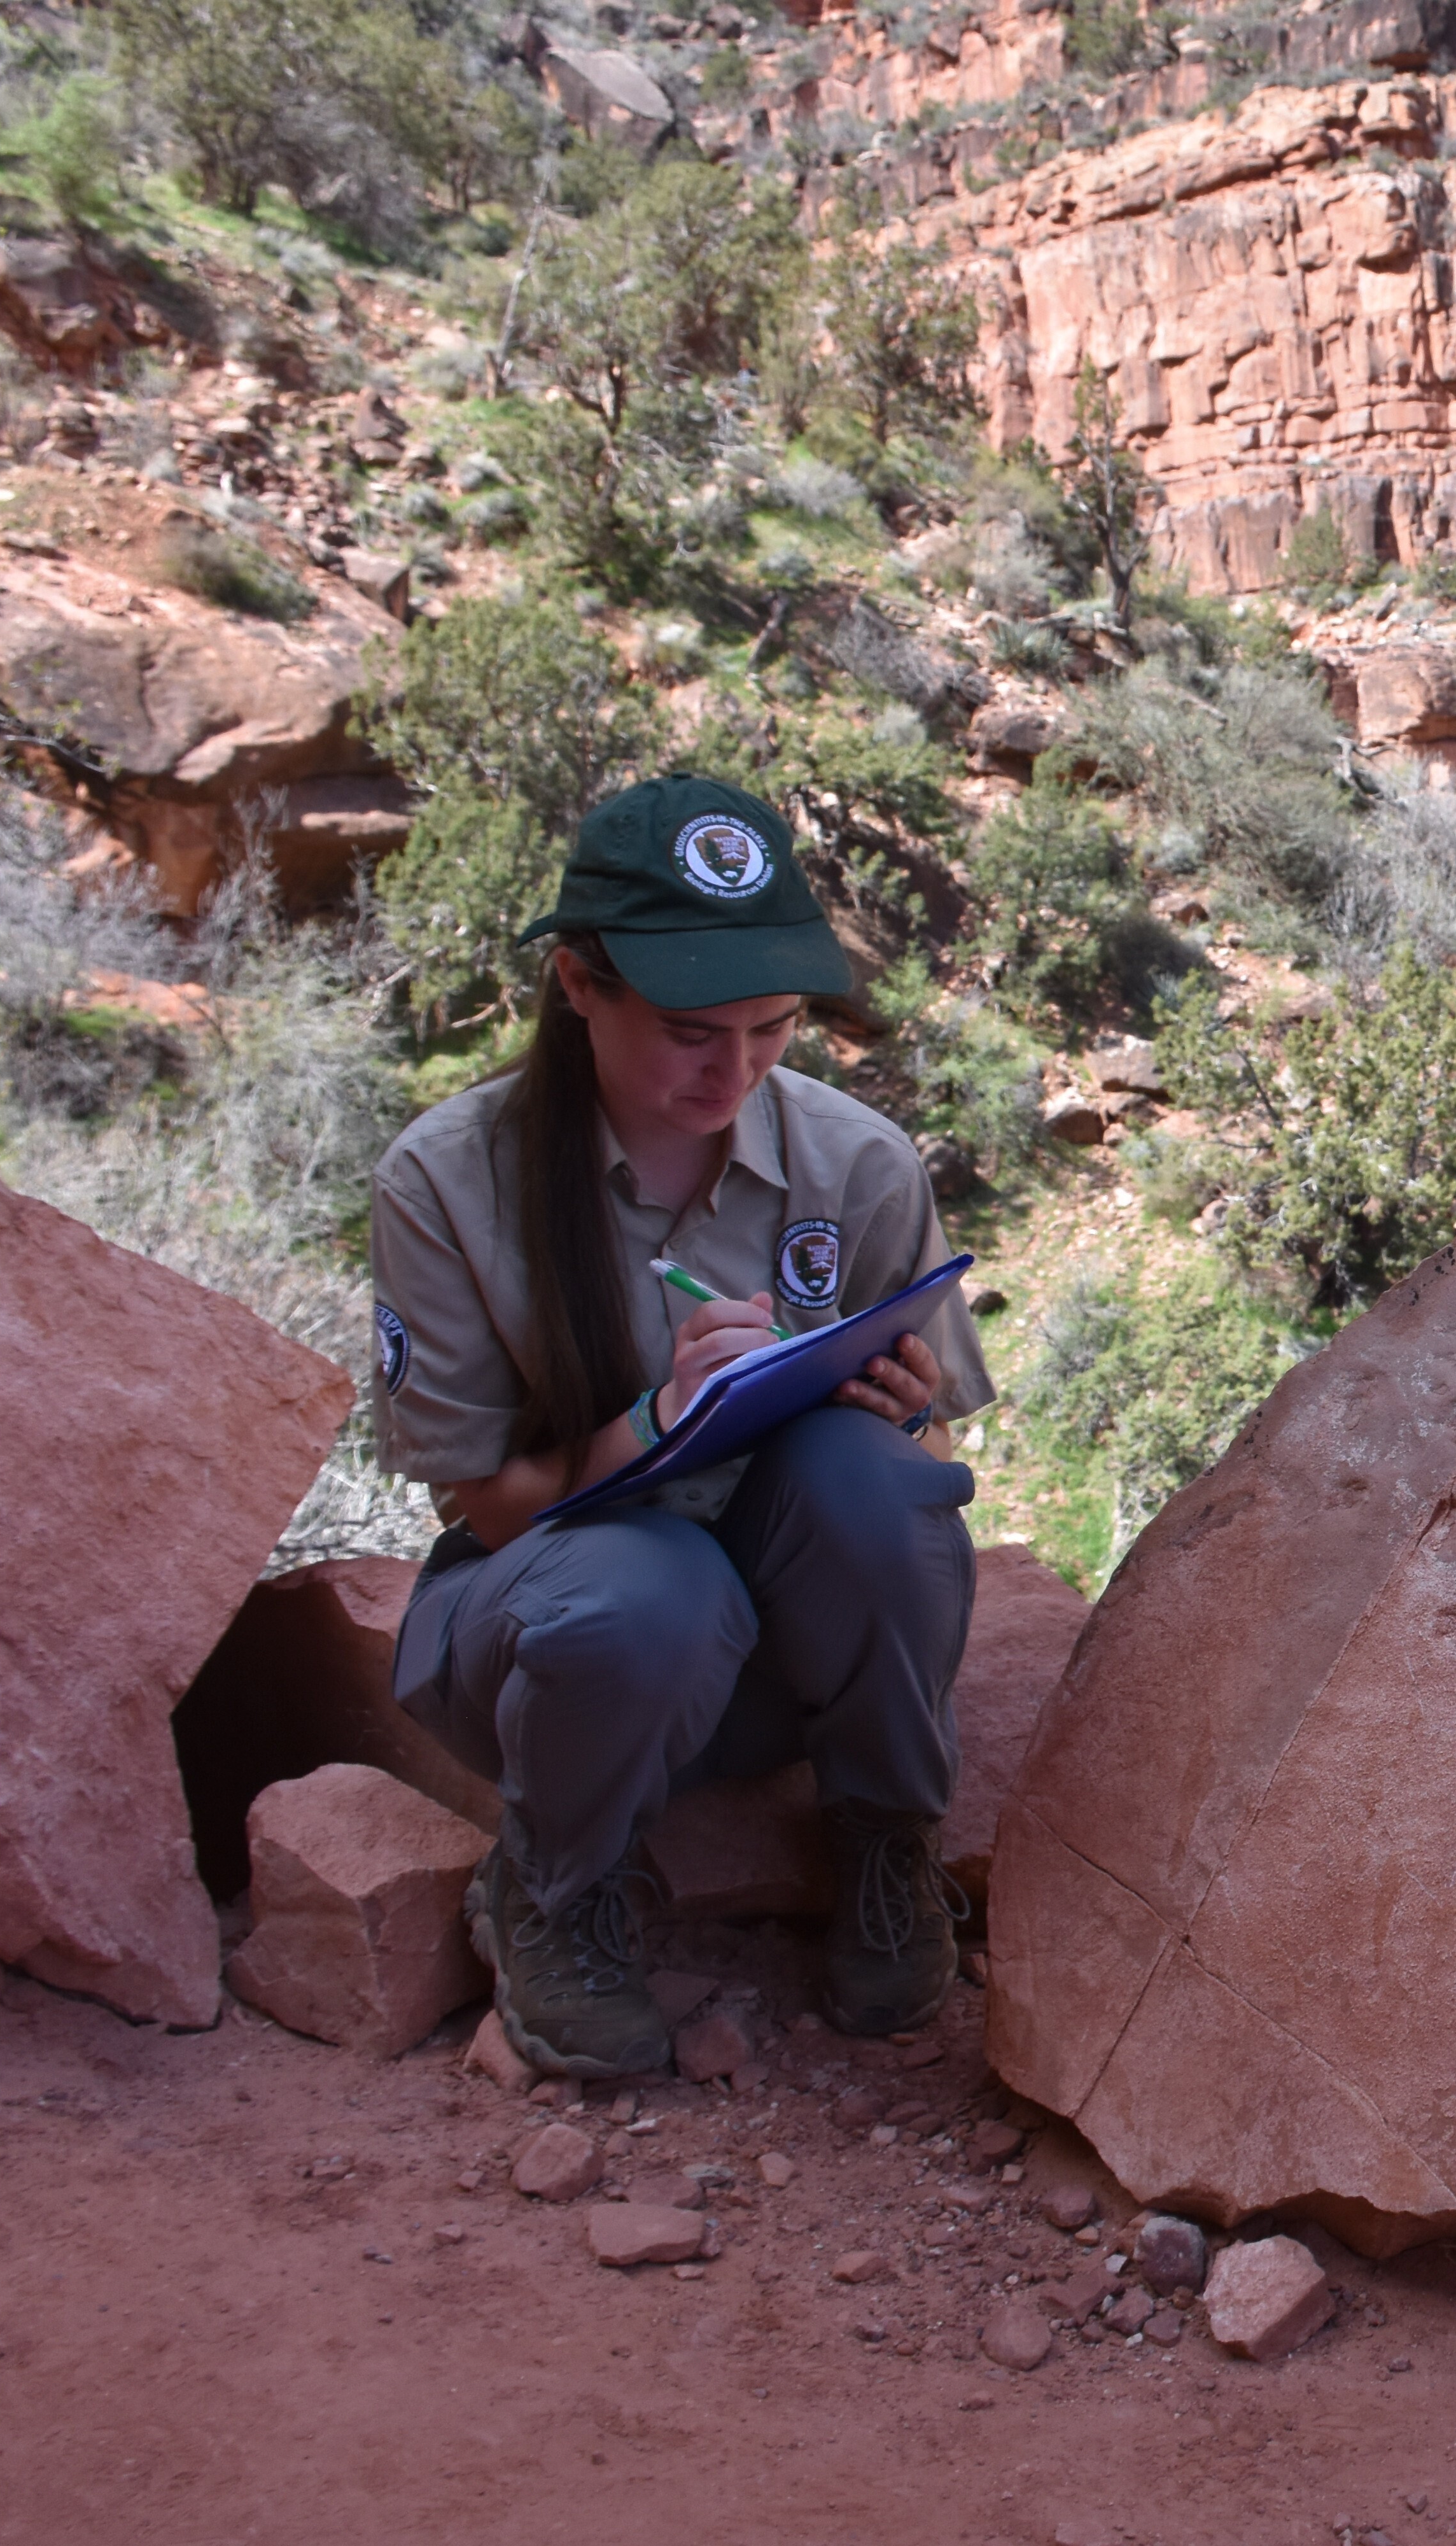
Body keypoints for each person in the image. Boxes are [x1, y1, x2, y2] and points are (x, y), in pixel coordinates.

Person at [370, 775, 995, 2080]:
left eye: (774, 1028)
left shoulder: (858, 1164)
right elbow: (488, 1505)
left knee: (873, 1483)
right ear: (577, 984)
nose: (738, 1069)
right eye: (691, 1030)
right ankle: (554, 1882)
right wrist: (658, 1416)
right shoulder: (448, 1178)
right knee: (649, 1587)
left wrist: (902, 1416)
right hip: (566, 1645)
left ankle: (885, 1840)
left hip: (777, 1656)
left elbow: (928, 1484)